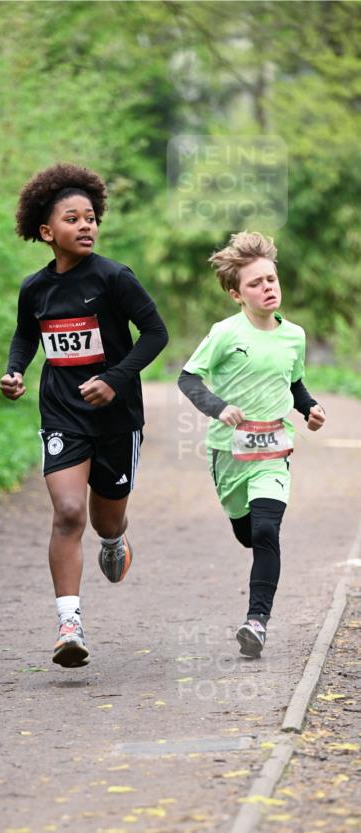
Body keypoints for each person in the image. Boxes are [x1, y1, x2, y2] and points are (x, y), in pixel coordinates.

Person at [0, 163, 168, 668]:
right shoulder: (35, 289)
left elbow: (156, 335)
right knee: (69, 513)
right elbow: (27, 335)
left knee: (104, 517)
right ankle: (68, 624)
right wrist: (14, 371)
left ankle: (115, 540)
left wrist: (115, 379)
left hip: (117, 420)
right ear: (48, 232)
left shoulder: (115, 278)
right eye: (73, 218)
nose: (86, 225)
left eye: (91, 217)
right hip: (62, 413)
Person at [178, 231, 325, 657]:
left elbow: (293, 381)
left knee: (265, 530)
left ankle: (256, 621)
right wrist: (217, 406)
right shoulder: (225, 333)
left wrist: (309, 407)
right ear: (235, 294)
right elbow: (188, 378)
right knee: (247, 533)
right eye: (256, 284)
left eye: (271, 280)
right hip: (229, 452)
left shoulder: (294, 335)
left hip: (274, 452)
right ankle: (247, 533)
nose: (267, 288)